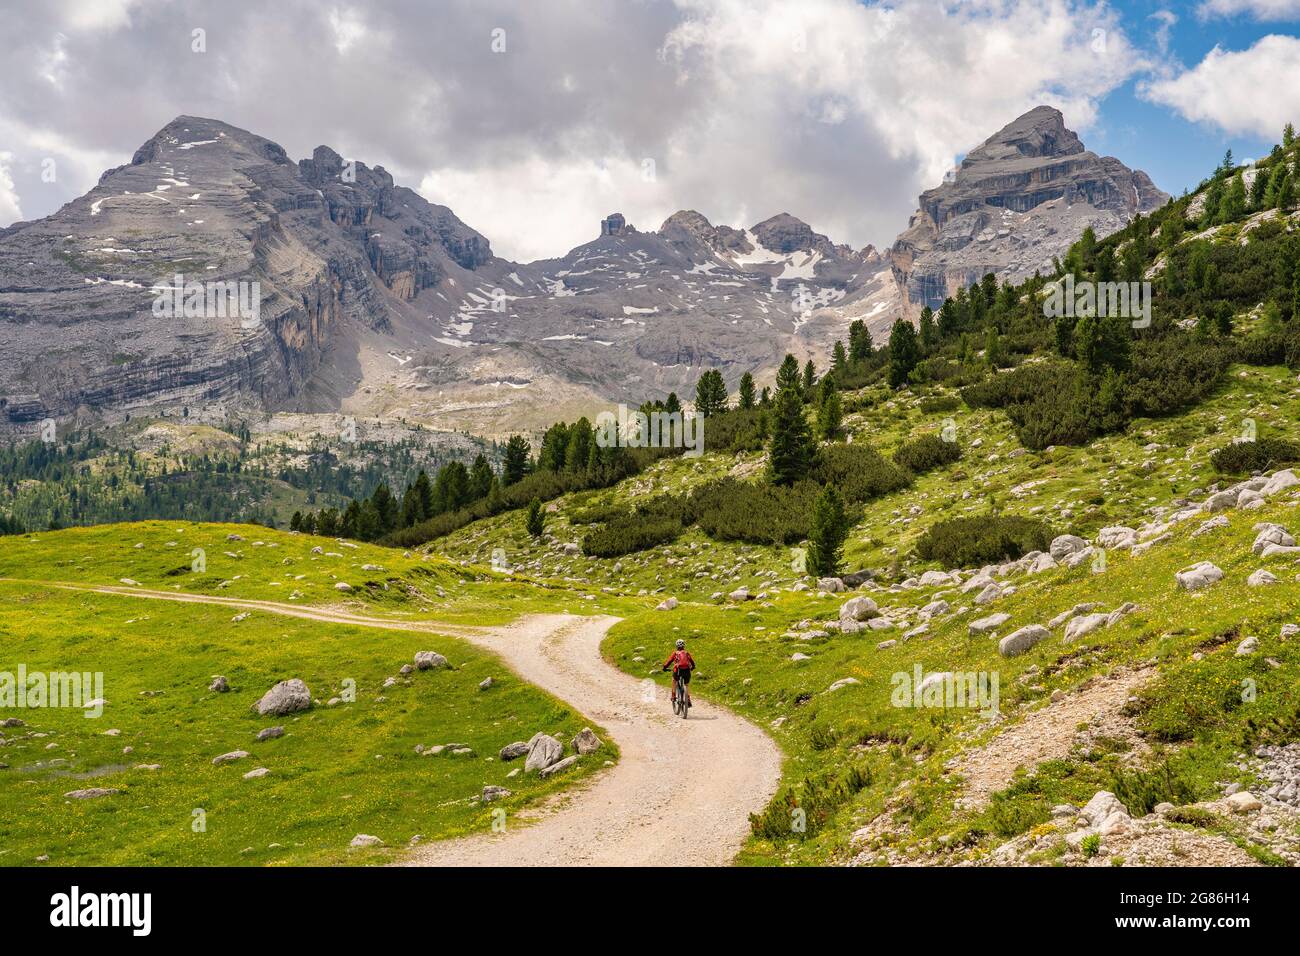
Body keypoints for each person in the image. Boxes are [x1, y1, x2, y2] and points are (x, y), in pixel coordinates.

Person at [662, 638, 695, 708]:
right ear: (684, 646)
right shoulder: (687, 653)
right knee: (687, 685)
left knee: (674, 681)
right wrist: (692, 667)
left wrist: (664, 667)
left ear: (676, 646)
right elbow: (692, 662)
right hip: (687, 671)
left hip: (678, 671)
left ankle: (673, 696)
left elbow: (669, 661)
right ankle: (688, 699)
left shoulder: (675, 653)